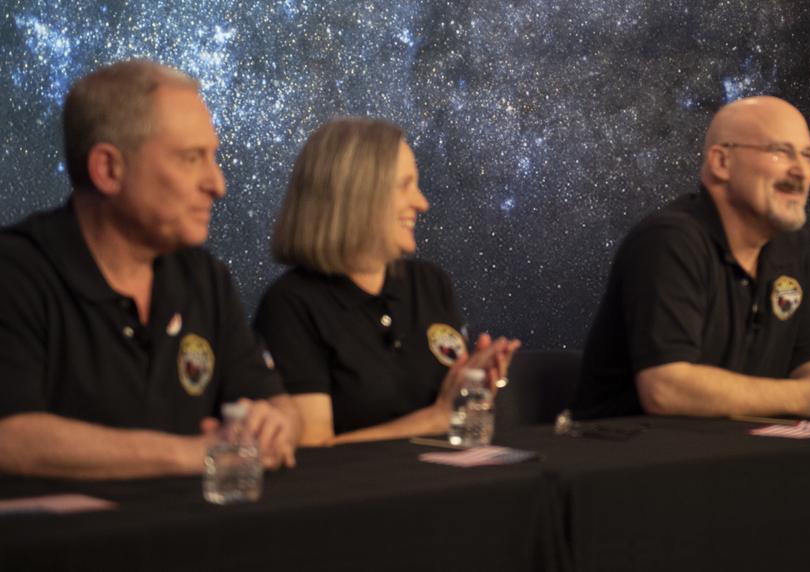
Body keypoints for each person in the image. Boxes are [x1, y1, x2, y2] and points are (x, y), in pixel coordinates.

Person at [0, 60, 300, 479]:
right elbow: (12, 437)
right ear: (108, 169)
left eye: (212, 157)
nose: (218, 184)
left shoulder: (205, 278)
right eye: (192, 158)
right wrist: (192, 454)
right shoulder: (16, 273)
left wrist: (276, 423)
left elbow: (273, 402)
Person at [574, 96, 810, 420]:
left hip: (736, 453)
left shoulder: (790, 247)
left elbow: (809, 358)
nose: (802, 171)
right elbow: (665, 388)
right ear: (721, 162)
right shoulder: (668, 240)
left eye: (808, 157)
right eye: (780, 152)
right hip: (629, 458)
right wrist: (805, 397)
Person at [254, 118, 520, 446]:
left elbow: (459, 417)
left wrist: (471, 384)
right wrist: (435, 418)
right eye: (405, 185)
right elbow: (312, 452)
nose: (422, 203)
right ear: (355, 194)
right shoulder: (291, 306)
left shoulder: (430, 283)